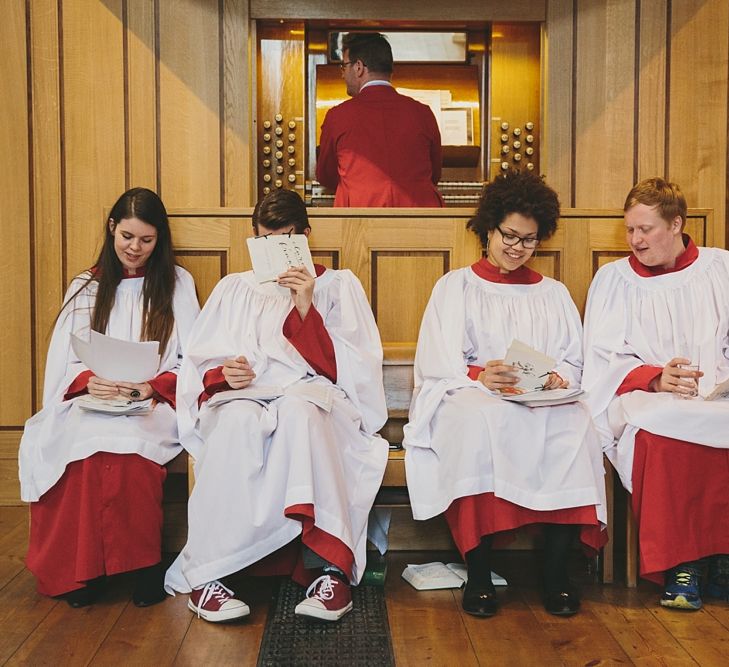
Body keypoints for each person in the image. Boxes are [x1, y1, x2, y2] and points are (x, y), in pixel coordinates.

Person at [165, 189, 388, 623]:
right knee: (236, 423)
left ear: (306, 235)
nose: (277, 252)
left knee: (301, 416)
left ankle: (328, 569)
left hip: (313, 396)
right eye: (266, 242)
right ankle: (212, 574)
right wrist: (223, 375)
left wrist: (306, 305)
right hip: (246, 397)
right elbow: (200, 365)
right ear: (254, 240)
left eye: (287, 239)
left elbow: (356, 369)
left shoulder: (338, 286)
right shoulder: (235, 289)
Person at [403, 170, 607, 618]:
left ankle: (556, 575)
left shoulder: (552, 294)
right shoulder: (455, 286)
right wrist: (480, 375)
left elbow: (573, 362)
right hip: (476, 396)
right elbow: (438, 363)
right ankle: (479, 575)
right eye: (509, 235)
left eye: (529, 241)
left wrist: (559, 379)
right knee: (481, 423)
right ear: (488, 227)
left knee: (575, 423)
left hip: (539, 399)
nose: (516, 248)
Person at [19, 187, 200, 607]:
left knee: (128, 451)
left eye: (146, 240)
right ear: (112, 228)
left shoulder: (176, 284)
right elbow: (64, 362)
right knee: (82, 447)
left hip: (152, 403)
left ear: (160, 240)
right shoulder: (86, 285)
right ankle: (87, 571)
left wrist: (153, 387)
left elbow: (193, 358)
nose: (134, 248)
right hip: (95, 400)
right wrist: (88, 381)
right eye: (127, 237)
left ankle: (143, 567)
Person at [582, 177, 729, 610]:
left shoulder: (721, 269)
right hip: (646, 396)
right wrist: (653, 377)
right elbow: (601, 356)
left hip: (714, 392)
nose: (635, 239)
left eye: (645, 229)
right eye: (630, 229)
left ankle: (720, 556)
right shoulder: (614, 280)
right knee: (661, 436)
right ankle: (682, 565)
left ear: (677, 224)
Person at [316, 32, 444, 207]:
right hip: (421, 221)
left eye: (343, 66)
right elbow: (435, 174)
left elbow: (326, 176)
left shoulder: (337, 116)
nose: (343, 74)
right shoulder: (423, 113)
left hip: (359, 221)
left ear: (358, 67)